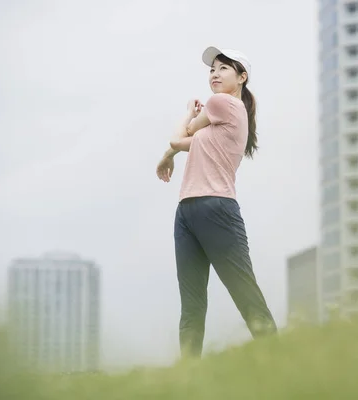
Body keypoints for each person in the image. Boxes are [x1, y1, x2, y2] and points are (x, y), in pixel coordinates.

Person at [155, 46, 278, 359]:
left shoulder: (222, 103)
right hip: (187, 211)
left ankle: (280, 361)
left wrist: (190, 114)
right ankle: (189, 379)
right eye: (212, 69)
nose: (215, 73)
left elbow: (185, 133)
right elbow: (178, 142)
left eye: (224, 68)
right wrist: (169, 155)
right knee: (192, 304)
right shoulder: (221, 120)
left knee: (244, 292)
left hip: (216, 209)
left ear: (241, 77)